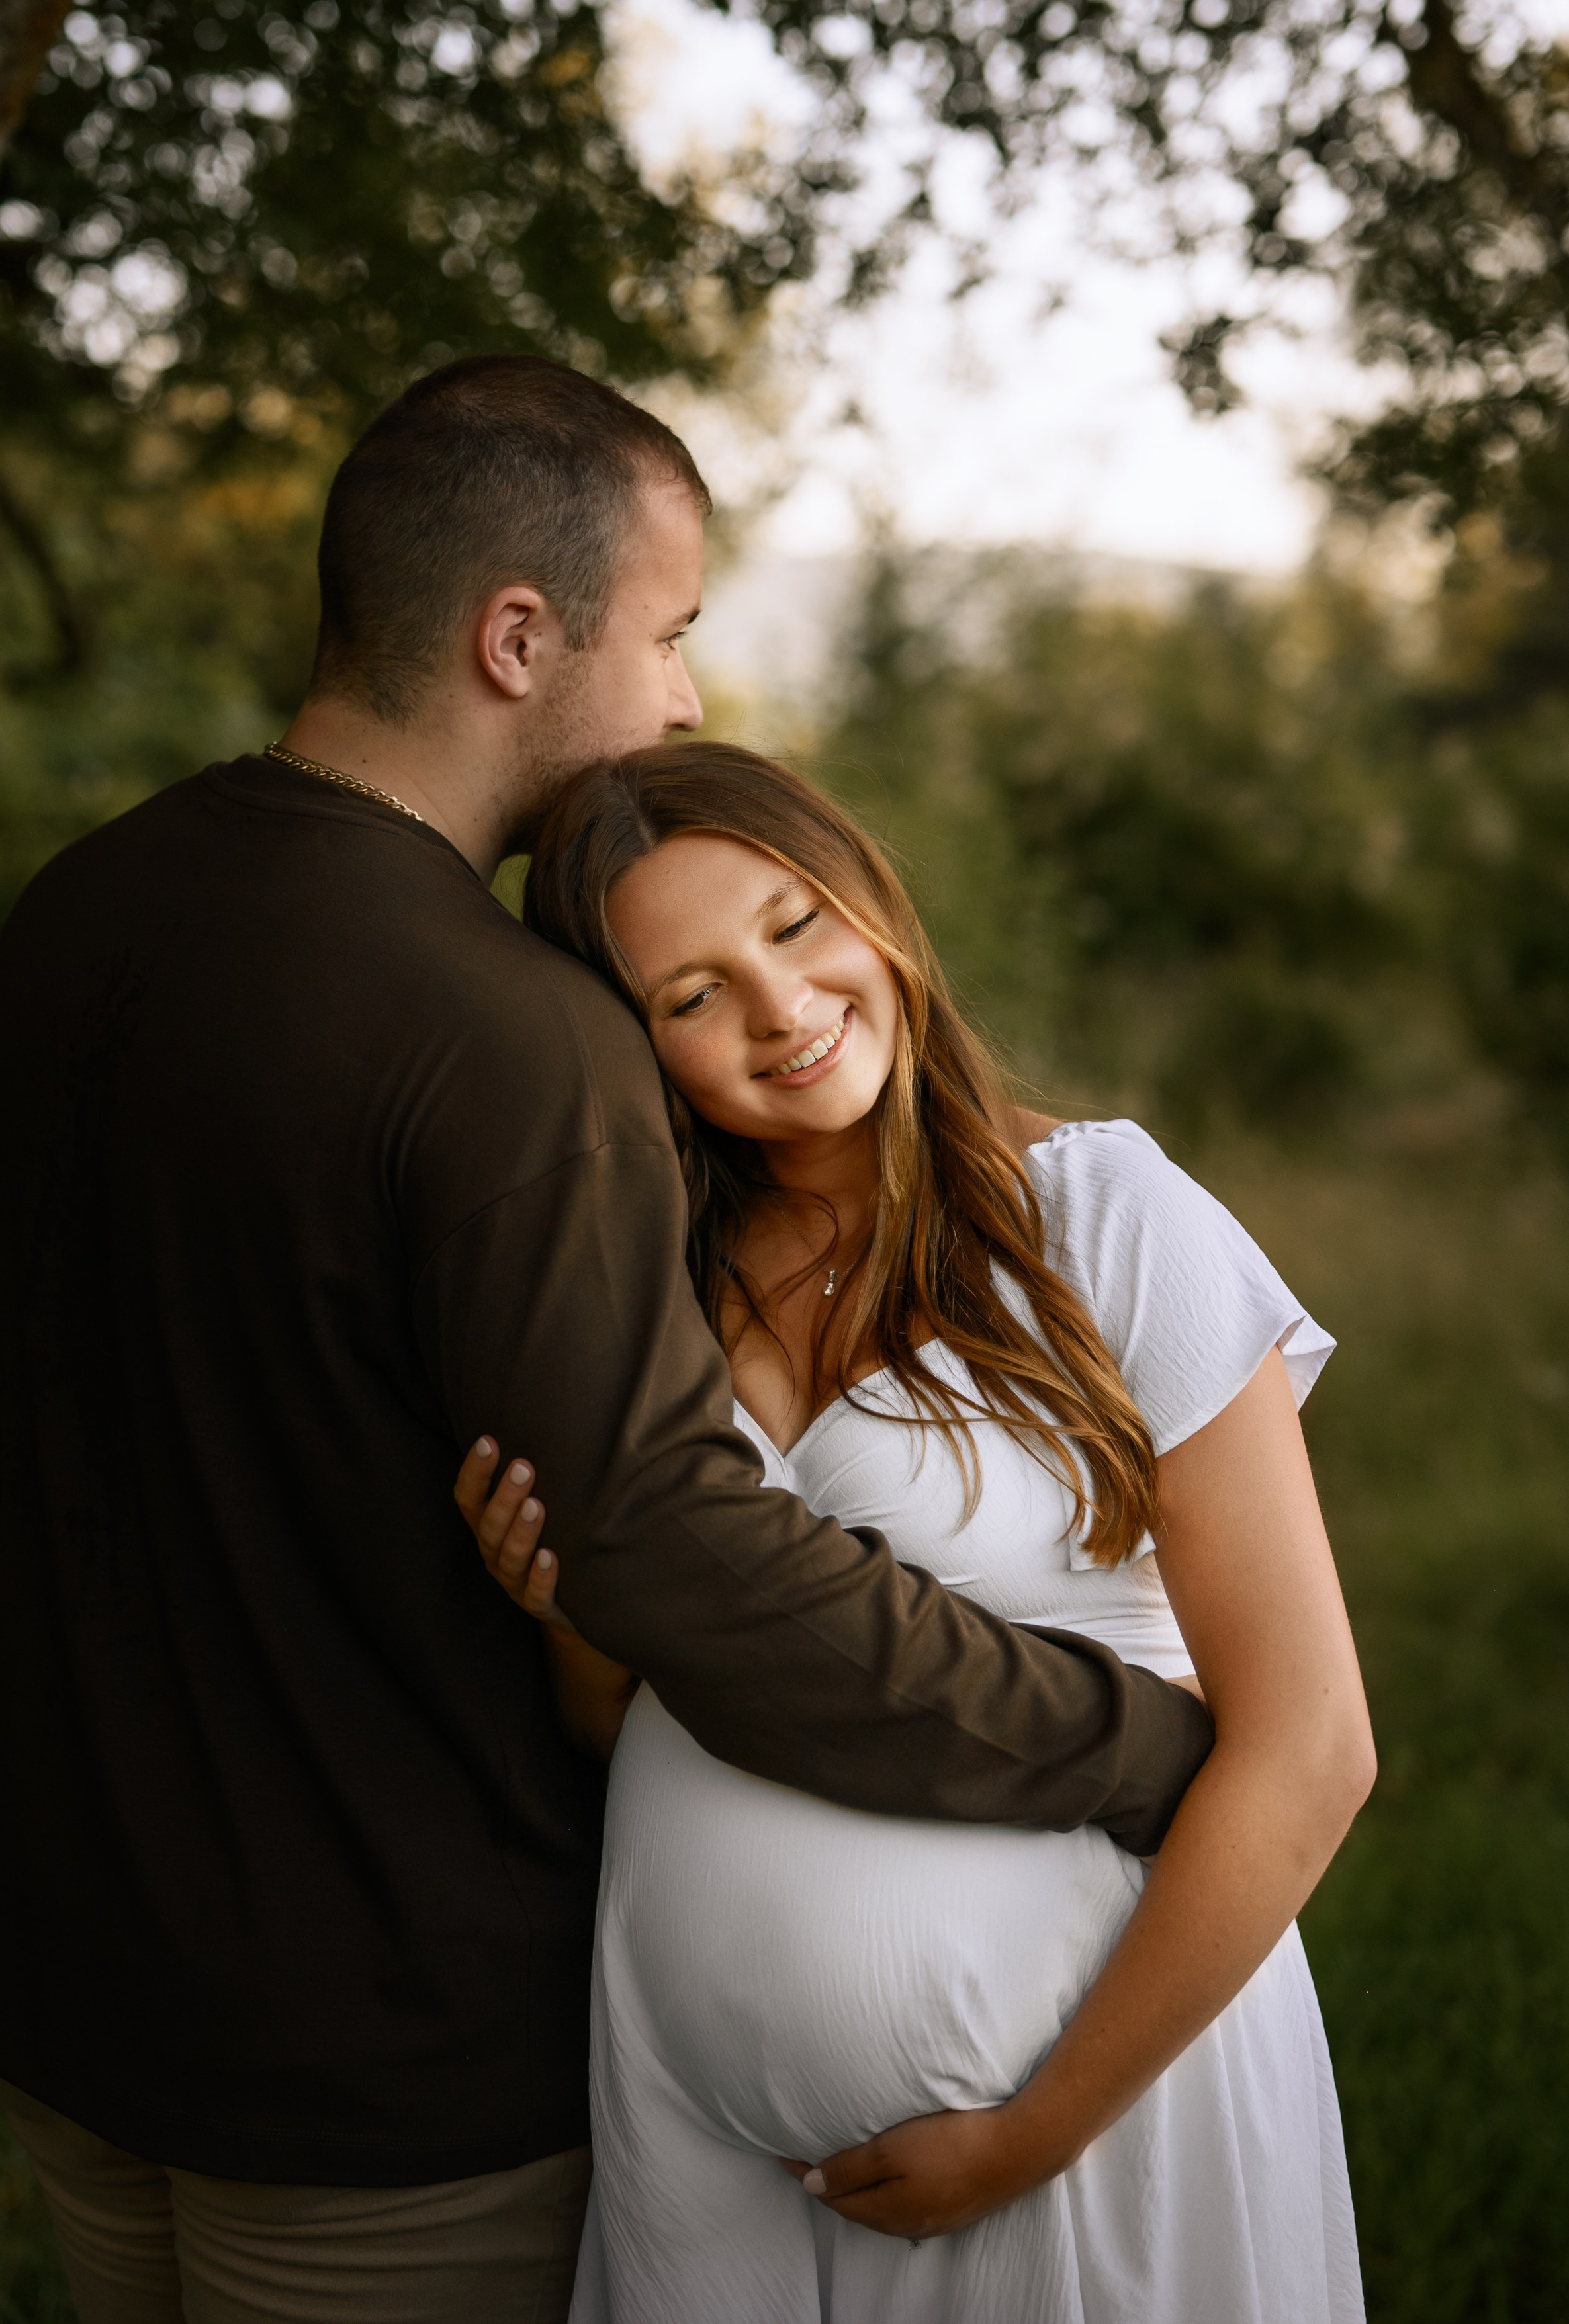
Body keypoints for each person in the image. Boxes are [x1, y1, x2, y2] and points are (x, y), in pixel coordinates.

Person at [0, 357, 1214, 2324]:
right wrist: (1131, 1739)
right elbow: (681, 1548)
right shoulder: (505, 1028)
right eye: (670, 632)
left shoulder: (86, 907)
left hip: (70, 1982)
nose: (687, 696)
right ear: (519, 635)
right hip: (370, 2043)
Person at [463, 738, 1376, 2324]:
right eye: (688, 995)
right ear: (630, 1045)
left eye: (792, 922)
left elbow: (1310, 1751)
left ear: (871, 901)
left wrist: (1034, 2130)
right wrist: (558, 1602)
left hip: (1083, 2123)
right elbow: (622, 1718)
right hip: (702, 2153)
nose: (777, 1006)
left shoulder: (1103, 1218)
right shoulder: (660, 1286)